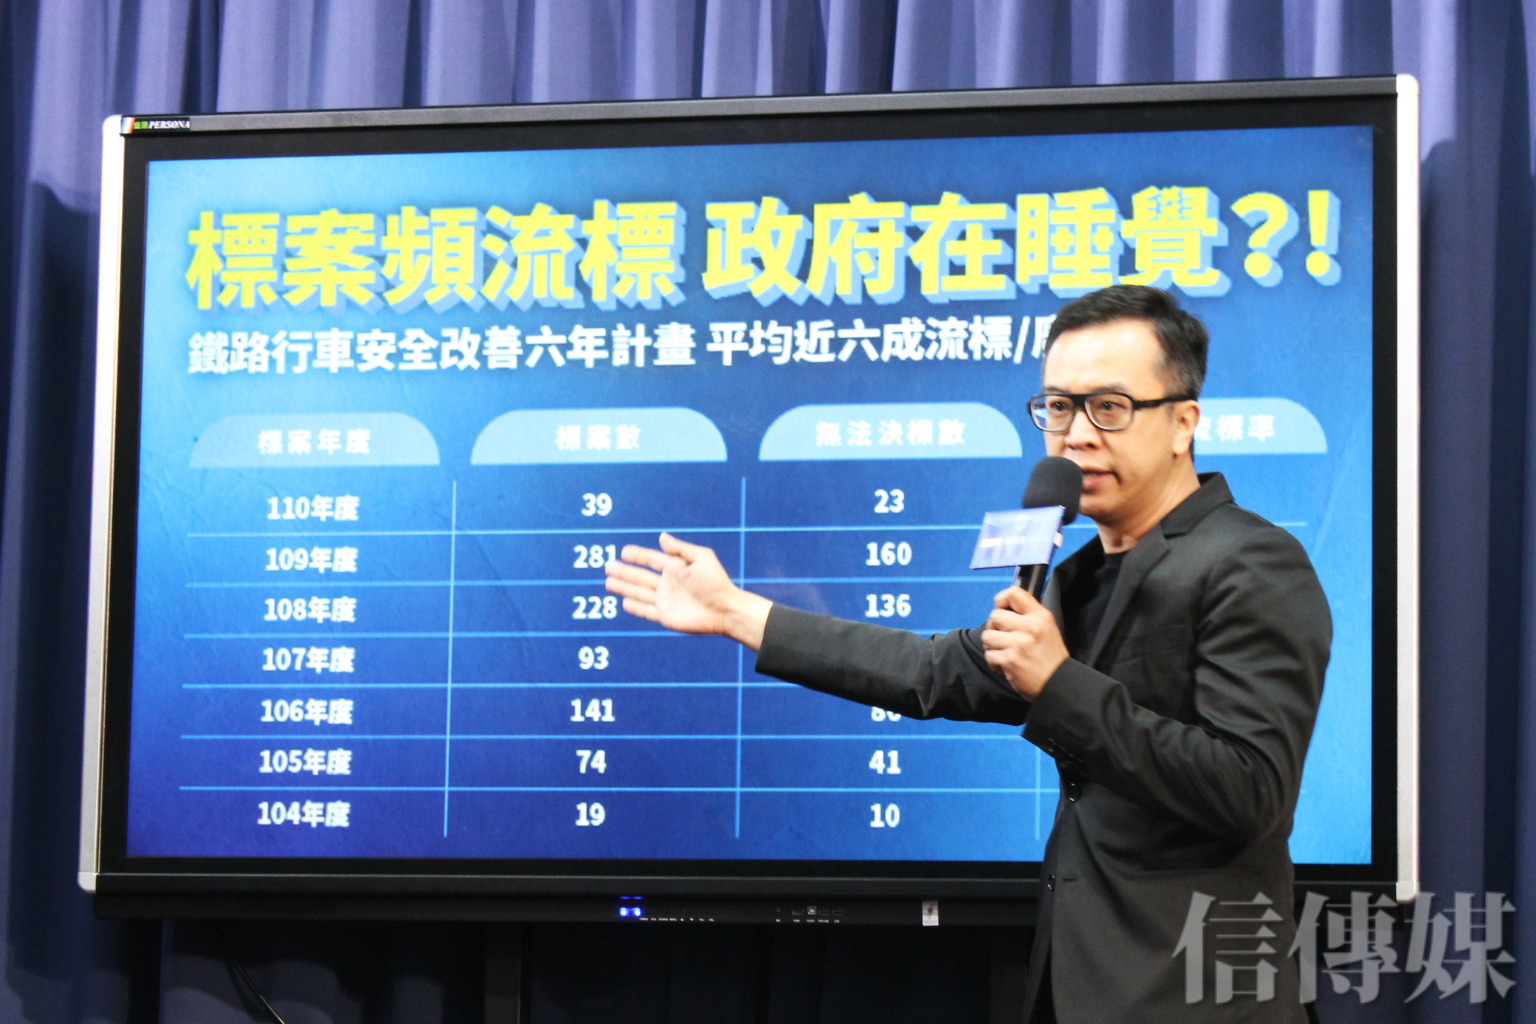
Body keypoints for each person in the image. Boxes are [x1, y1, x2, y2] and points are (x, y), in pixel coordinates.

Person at [604, 285, 1331, 1024]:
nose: (1076, 435)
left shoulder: (1250, 560)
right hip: (1081, 991)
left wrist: (1059, 684)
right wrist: (735, 611)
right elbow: (930, 671)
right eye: (1058, 407)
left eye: (1109, 407)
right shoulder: (1079, 576)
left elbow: (1252, 792)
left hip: (1201, 1000)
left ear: (1183, 422)